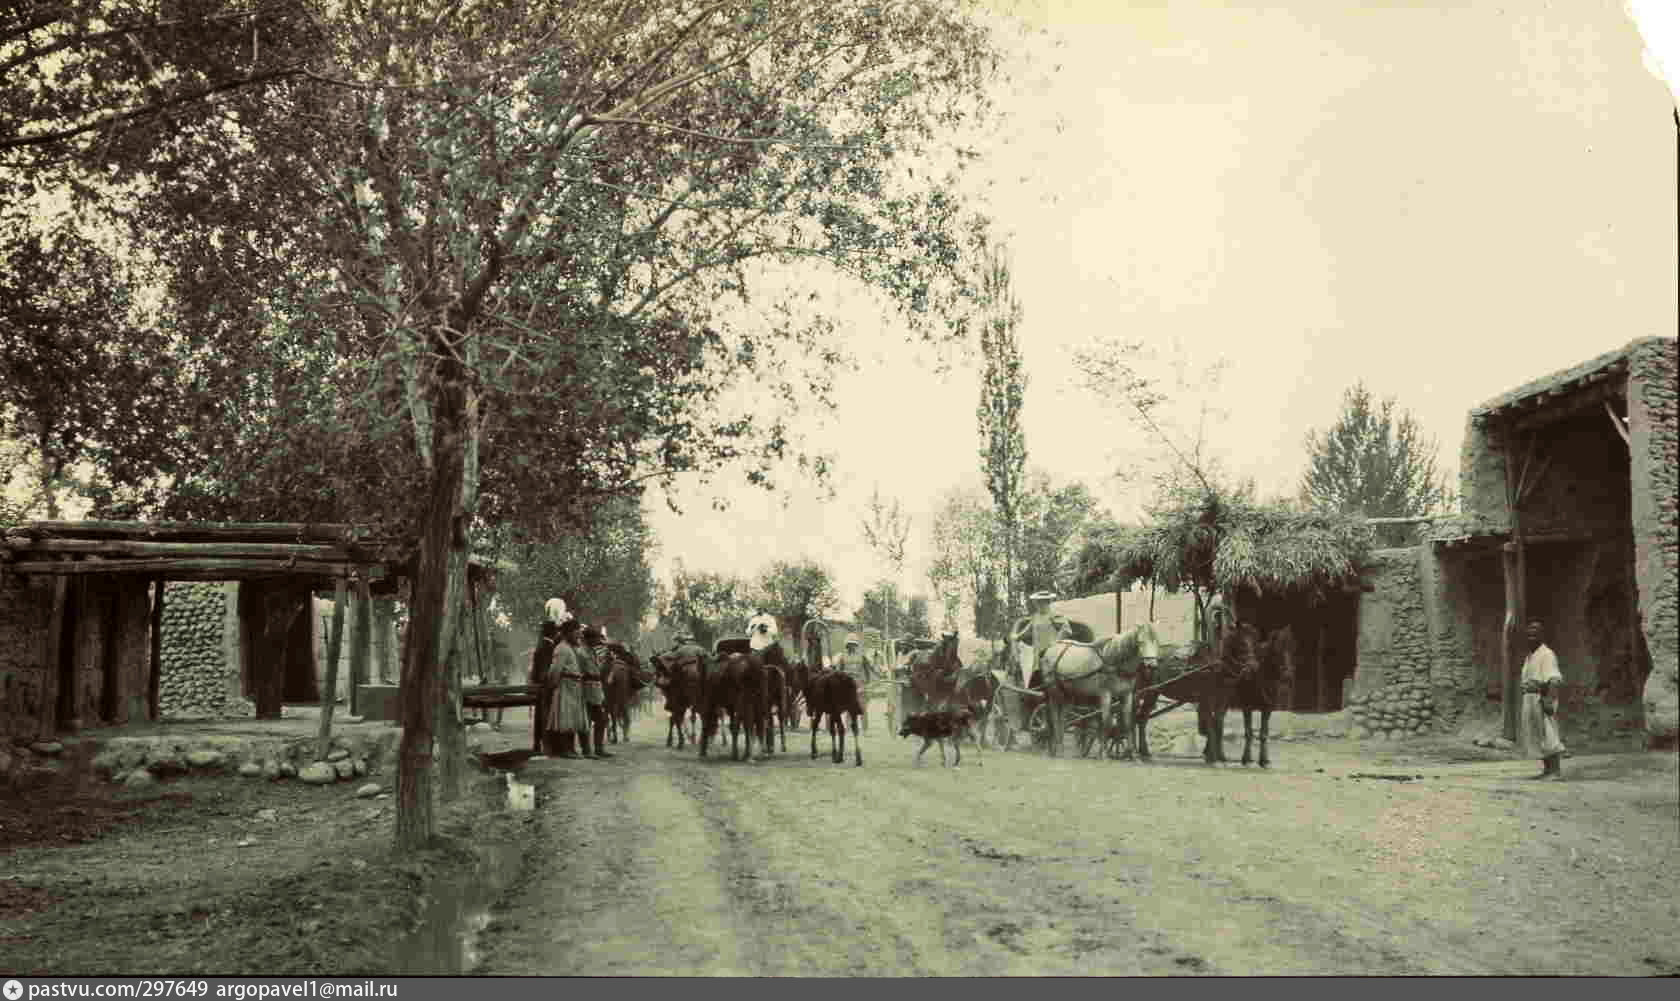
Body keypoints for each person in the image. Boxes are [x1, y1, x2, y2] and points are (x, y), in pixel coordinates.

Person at [1519, 620, 1566, 780]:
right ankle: (1547, 770)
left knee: (1548, 733)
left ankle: (1555, 771)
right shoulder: (1531, 656)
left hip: (1542, 697)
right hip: (1530, 698)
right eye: (1529, 635)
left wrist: (1549, 699)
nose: (1531, 637)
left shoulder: (1547, 654)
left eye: (1535, 634)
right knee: (1537, 734)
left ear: (1542, 636)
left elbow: (1554, 679)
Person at [548, 617, 590, 759]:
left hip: (575, 686)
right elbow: (555, 670)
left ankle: (571, 749)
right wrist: (553, 686)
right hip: (565, 686)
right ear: (568, 633)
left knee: (572, 718)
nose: (579, 635)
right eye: (576, 633)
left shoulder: (572, 648)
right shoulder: (561, 648)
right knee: (565, 717)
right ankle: (566, 750)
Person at [1012, 590, 1069, 680]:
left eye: (1042, 602)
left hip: (1052, 656)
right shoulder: (1035, 617)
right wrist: (1017, 636)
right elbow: (1026, 632)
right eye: (1038, 602)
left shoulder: (1054, 616)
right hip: (1037, 658)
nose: (1039, 605)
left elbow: (1066, 629)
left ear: (1048, 603)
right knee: (1036, 681)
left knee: (1053, 679)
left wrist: (1056, 643)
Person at [580, 624, 614, 759]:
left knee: (601, 720)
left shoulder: (592, 651)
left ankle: (599, 748)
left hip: (595, 688)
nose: (597, 641)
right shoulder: (581, 652)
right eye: (595, 639)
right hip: (586, 689)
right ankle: (587, 750)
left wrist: (608, 663)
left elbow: (598, 671)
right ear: (588, 639)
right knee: (586, 722)